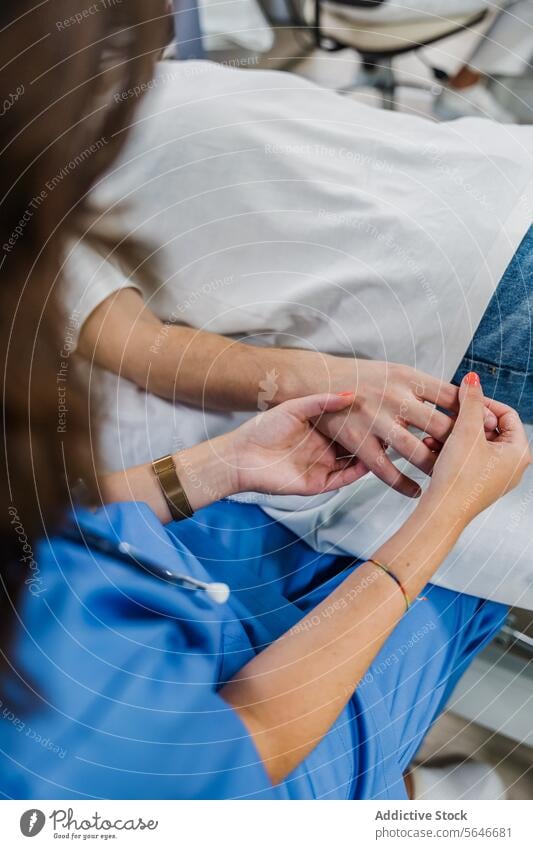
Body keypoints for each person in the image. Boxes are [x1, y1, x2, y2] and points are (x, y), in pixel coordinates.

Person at [0, 1, 530, 801]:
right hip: (429, 318)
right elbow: (239, 747)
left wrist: (215, 465)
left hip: (420, 291)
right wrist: (433, 528)